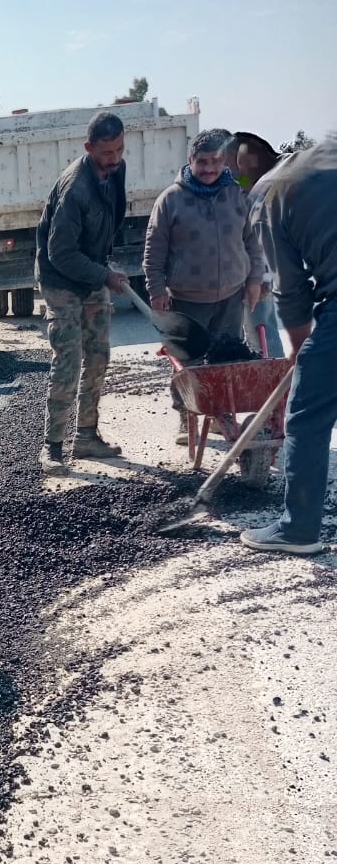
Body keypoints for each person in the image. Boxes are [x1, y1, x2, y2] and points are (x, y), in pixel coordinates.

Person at [240, 136, 337, 556]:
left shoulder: (268, 195)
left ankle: (297, 530)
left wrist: (299, 351)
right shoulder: (326, 152)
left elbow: (290, 290)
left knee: (307, 415)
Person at [143, 128, 265, 440]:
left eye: (215, 161)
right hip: (187, 300)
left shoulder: (238, 193)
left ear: (224, 161)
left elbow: (252, 241)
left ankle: (221, 413)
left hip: (231, 297)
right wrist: (156, 291)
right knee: (189, 364)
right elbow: (153, 252)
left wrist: (254, 279)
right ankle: (187, 417)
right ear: (190, 161)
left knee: (224, 362)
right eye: (202, 162)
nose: (209, 169)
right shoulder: (171, 200)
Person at [35, 112, 130, 473]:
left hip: (91, 272)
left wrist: (102, 268)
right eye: (107, 152)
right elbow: (60, 253)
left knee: (99, 354)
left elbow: (111, 219)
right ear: (89, 148)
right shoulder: (75, 189)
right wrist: (104, 275)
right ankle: (53, 446)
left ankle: (87, 436)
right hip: (60, 277)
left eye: (119, 149)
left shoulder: (116, 171)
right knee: (69, 358)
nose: (115, 158)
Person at [234, 131, 285, 357]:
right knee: (255, 333)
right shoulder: (249, 185)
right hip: (248, 275)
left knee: (263, 332)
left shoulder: (264, 195)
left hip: (259, 277)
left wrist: (264, 279)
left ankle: (274, 372)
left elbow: (264, 241)